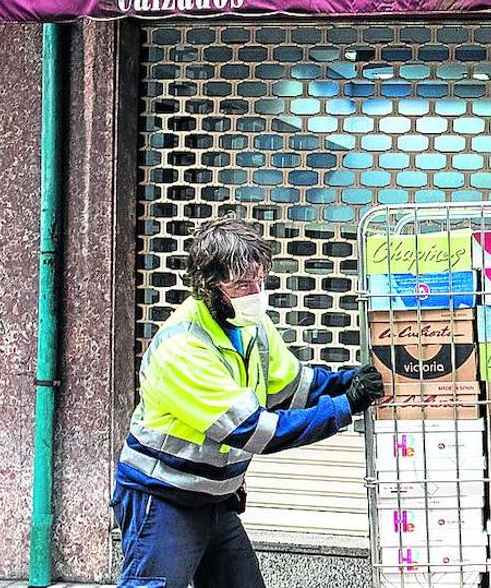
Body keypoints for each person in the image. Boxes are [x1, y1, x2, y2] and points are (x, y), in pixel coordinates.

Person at [112, 216, 384, 588]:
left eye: (260, 280)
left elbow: (292, 385)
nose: (256, 292)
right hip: (164, 500)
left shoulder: (251, 325)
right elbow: (253, 430)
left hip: (213, 499)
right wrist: (343, 406)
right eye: (242, 284)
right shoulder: (183, 348)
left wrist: (344, 382)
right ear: (210, 287)